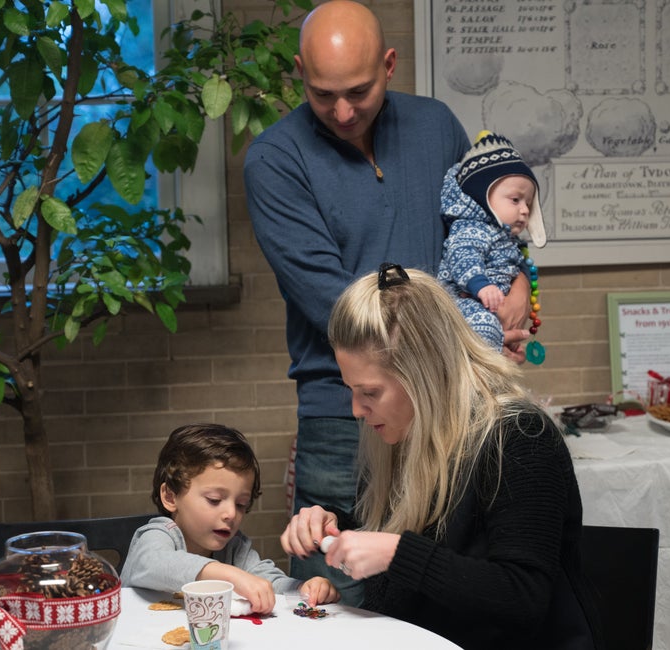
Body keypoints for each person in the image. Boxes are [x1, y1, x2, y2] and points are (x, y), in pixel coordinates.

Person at [242, 0, 533, 602]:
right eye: (323, 95)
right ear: (299, 72)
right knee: (335, 597)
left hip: (452, 403)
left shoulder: (436, 125)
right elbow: (334, 305)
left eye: (359, 91)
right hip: (346, 411)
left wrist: (517, 288)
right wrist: (460, 338)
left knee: (444, 587)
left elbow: (481, 230)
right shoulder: (275, 159)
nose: (343, 112)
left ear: (390, 65)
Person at [280, 264, 601, 650]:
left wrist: (396, 554)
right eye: (350, 389)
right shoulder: (402, 432)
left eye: (370, 392)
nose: (356, 410)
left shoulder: (520, 437)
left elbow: (523, 596)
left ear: (423, 375)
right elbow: (416, 538)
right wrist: (336, 526)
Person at [120, 424, 339, 614]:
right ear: (170, 496)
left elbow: (266, 581)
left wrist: (302, 588)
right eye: (214, 500)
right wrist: (228, 574)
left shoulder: (235, 548)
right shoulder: (157, 534)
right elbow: (153, 563)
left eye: (241, 504)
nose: (231, 514)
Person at [437, 130, 547, 353]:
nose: (525, 210)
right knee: (483, 329)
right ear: (483, 197)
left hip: (491, 304)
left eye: (528, 203)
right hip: (465, 302)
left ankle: (499, 357)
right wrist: (480, 285)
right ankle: (484, 367)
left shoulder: (508, 240)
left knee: (494, 333)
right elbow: (462, 255)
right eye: (515, 200)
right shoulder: (472, 228)